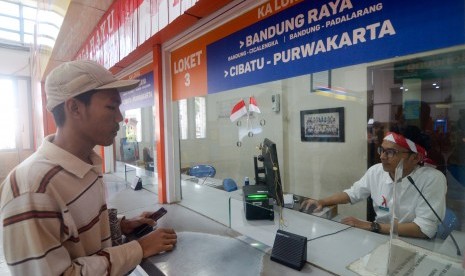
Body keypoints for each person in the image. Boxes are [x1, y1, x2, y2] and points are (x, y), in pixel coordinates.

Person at [0, 60, 177, 275]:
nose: (120, 118)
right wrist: (138, 249)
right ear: (74, 107)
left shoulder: (87, 163)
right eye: (111, 107)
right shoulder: (32, 189)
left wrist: (120, 226)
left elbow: (80, 234)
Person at [301, 126, 447, 239]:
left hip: (415, 243)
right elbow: (352, 193)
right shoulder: (376, 171)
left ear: (415, 158)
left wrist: (372, 226)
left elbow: (423, 229)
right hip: (380, 236)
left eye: (391, 152)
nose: (382, 157)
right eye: (381, 150)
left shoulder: (432, 179)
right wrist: (322, 201)